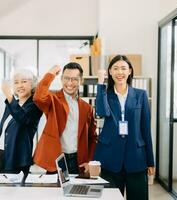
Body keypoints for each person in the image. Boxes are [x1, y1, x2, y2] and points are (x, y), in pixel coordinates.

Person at [93, 55, 155, 200]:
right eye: (115, 68)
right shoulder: (105, 94)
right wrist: (100, 84)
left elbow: (146, 129)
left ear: (129, 71)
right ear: (109, 72)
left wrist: (150, 161)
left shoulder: (141, 95)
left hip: (136, 158)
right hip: (109, 158)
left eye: (123, 68)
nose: (119, 72)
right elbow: (101, 112)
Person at [33, 62, 97, 174]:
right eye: (66, 78)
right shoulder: (53, 99)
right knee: (53, 191)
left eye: (75, 79)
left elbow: (93, 137)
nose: (70, 83)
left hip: (77, 161)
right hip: (56, 158)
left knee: (75, 191)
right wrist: (51, 73)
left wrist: (89, 160)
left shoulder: (87, 108)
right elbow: (38, 97)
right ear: (61, 79)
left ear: (81, 81)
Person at [0, 69, 42, 177]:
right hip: (1, 155)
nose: (20, 85)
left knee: (14, 192)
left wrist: (9, 96)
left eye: (24, 81)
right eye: (16, 82)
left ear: (32, 84)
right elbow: (2, 133)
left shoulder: (35, 105)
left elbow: (22, 118)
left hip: (17, 158)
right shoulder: (12, 104)